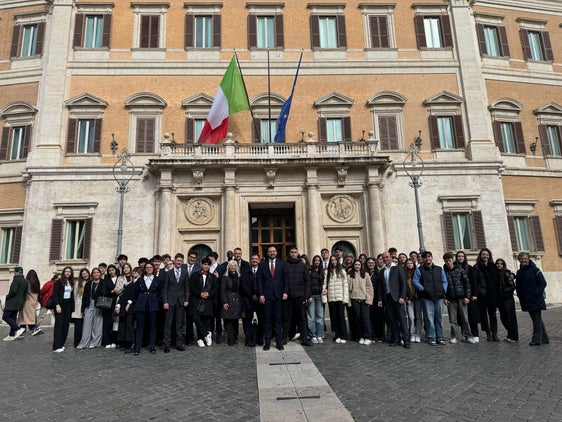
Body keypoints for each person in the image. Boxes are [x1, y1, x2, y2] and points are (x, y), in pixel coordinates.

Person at [257, 245, 289, 351]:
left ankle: (279, 343)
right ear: (267, 253)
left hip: (279, 296)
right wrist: (261, 294)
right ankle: (267, 343)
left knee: (278, 320)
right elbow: (259, 281)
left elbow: (286, 280)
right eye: (270, 251)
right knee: (267, 320)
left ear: (276, 252)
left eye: (274, 251)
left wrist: (285, 292)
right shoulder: (262, 264)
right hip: (266, 296)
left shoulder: (282, 264)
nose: (272, 253)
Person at [413, 251, 447, 346]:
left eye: (429, 256)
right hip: (427, 297)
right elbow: (415, 281)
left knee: (438, 318)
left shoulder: (439, 269)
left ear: (432, 257)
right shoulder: (419, 270)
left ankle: (440, 337)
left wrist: (443, 290)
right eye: (425, 257)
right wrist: (422, 289)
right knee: (429, 318)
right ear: (423, 259)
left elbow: (445, 281)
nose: (427, 258)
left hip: (439, 297)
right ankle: (432, 337)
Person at [515, 252, 548, 346]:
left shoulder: (535, 270)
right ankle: (545, 338)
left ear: (528, 259)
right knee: (536, 319)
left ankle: (536, 340)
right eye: (521, 259)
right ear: (519, 260)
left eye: (525, 258)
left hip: (535, 299)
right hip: (526, 300)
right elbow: (519, 285)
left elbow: (543, 283)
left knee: (536, 319)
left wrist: (536, 293)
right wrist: (519, 294)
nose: (523, 260)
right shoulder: (519, 272)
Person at [128, 262, 162, 355]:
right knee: (139, 327)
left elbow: (160, 293)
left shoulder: (157, 280)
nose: (149, 269)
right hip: (141, 306)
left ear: (153, 268)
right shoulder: (140, 280)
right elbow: (135, 293)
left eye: (151, 267)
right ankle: (137, 347)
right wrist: (130, 303)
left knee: (152, 327)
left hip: (153, 306)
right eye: (147, 267)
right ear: (145, 269)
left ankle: (152, 346)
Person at [378, 252, 410, 348]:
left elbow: (404, 284)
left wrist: (402, 297)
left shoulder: (398, 268)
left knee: (402, 319)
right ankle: (396, 338)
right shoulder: (382, 271)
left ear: (391, 258)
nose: (385, 259)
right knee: (392, 320)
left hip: (397, 297)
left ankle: (406, 340)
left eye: (387, 257)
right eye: (383, 258)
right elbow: (380, 286)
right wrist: (380, 299)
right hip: (387, 298)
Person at [443, 253, 475, 344]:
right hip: (451, 298)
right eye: (446, 261)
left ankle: (468, 336)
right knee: (452, 319)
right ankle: (455, 336)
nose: (448, 263)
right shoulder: (444, 271)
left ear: (452, 260)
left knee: (465, 318)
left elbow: (467, 284)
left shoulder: (460, 270)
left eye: (449, 260)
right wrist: (444, 298)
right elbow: (443, 286)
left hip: (462, 297)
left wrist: (467, 296)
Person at [283, 247, 312, 346]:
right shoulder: (285, 265)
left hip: (300, 296)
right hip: (288, 297)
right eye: (292, 252)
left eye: (295, 252)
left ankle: (304, 338)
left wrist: (306, 296)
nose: (293, 254)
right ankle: (284, 338)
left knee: (302, 318)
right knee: (287, 318)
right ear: (289, 253)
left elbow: (308, 282)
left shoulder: (303, 266)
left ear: (298, 254)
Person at [161, 253, 189, 352]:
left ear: (182, 262)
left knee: (179, 324)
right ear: (174, 261)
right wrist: (165, 302)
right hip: (170, 301)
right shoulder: (169, 273)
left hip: (181, 302)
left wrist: (186, 300)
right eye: (177, 260)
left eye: (181, 261)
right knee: (168, 324)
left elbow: (187, 288)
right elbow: (165, 289)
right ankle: (166, 344)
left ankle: (179, 343)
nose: (179, 262)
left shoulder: (185, 273)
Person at [189, 257, 218, 348]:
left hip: (207, 301)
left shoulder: (213, 277)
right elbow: (192, 287)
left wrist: (208, 294)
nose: (206, 266)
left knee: (205, 320)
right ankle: (205, 334)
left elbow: (214, 289)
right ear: (201, 265)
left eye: (208, 265)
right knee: (196, 318)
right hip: (196, 300)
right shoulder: (194, 275)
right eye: (205, 264)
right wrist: (200, 294)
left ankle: (201, 339)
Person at [473, 248, 500, 341]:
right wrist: (476, 293)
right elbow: (475, 282)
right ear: (480, 256)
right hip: (482, 295)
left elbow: (498, 277)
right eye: (483, 254)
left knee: (492, 314)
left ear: (489, 256)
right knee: (483, 315)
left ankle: (494, 333)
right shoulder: (476, 267)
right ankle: (488, 332)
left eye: (487, 254)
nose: (485, 256)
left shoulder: (493, 266)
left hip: (492, 294)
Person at [455, 251, 481, 342]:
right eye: (458, 256)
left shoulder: (469, 268)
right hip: (460, 296)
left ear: (464, 258)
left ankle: (475, 334)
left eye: (462, 256)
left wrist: (474, 294)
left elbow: (474, 282)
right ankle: (465, 334)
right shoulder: (454, 268)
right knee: (462, 316)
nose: (460, 258)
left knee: (472, 316)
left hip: (470, 296)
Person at [323, 255, 349, 344]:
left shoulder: (342, 271)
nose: (333, 262)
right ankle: (337, 335)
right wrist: (324, 295)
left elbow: (345, 285)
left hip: (340, 297)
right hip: (331, 298)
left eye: (335, 260)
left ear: (337, 261)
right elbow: (324, 284)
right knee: (334, 317)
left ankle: (343, 335)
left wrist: (345, 298)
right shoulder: (327, 272)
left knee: (341, 316)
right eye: (332, 260)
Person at [348, 259, 373, 345]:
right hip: (354, 299)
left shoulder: (365, 274)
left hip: (364, 299)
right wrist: (349, 301)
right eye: (355, 265)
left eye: (359, 265)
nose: (357, 266)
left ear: (361, 266)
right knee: (358, 319)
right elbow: (348, 290)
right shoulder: (350, 275)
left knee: (365, 319)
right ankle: (361, 335)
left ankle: (368, 336)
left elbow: (369, 288)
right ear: (353, 266)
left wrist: (369, 299)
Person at [77, 267, 103, 349]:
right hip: (89, 304)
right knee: (86, 325)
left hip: (99, 305)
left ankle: (95, 343)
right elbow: (84, 297)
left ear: (100, 273)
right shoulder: (89, 283)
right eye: (94, 272)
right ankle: (84, 343)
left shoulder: (104, 282)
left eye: (97, 272)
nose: (96, 274)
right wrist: (82, 309)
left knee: (97, 325)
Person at [116, 266, 140, 353]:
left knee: (130, 325)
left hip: (133, 307)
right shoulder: (131, 283)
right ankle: (125, 342)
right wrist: (118, 305)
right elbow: (124, 295)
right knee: (124, 324)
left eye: (135, 272)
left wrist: (130, 303)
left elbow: (136, 295)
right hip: (124, 306)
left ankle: (131, 343)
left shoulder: (139, 283)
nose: (134, 273)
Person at [52, 266, 75, 352]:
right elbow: (55, 295)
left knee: (66, 325)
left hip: (68, 305)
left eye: (69, 272)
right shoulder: (58, 282)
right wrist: (57, 305)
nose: (68, 273)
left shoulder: (71, 282)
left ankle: (61, 343)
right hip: (60, 305)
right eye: (66, 271)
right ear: (63, 272)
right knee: (59, 325)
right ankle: (56, 346)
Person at [2, 267, 28, 341]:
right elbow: (25, 294)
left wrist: (7, 296)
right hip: (19, 302)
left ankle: (18, 328)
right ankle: (12, 334)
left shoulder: (16, 279)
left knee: (5, 317)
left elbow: (13, 291)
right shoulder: (25, 281)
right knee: (13, 317)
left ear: (16, 272)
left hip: (12, 302)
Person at [495, 259, 518, 343]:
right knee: (503, 317)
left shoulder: (506, 273)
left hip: (507, 298)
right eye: (497, 263)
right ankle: (510, 334)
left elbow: (512, 286)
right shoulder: (496, 273)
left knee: (510, 317)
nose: (499, 265)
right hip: (500, 299)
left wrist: (504, 291)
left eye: (501, 264)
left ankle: (513, 336)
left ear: (503, 265)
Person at [221, 260, 243, 345]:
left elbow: (241, 289)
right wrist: (224, 302)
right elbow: (222, 290)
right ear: (228, 267)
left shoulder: (239, 276)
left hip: (237, 301)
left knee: (235, 321)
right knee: (229, 321)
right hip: (228, 300)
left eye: (234, 266)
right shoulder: (225, 277)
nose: (233, 267)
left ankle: (235, 337)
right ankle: (230, 339)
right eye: (231, 266)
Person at [100, 264, 119, 348]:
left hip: (117, 302)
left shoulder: (119, 278)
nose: (111, 271)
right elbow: (103, 292)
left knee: (115, 322)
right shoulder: (105, 280)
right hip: (108, 303)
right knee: (107, 322)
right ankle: (107, 341)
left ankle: (115, 340)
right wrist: (111, 292)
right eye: (110, 270)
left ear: (115, 270)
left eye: (112, 270)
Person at [17, 270, 41, 336]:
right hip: (33, 302)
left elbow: (23, 292)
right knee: (28, 317)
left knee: (24, 317)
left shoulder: (27, 283)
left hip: (26, 302)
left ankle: (33, 329)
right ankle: (25, 331)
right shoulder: (37, 283)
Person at [307, 255, 325, 343]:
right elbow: (307, 284)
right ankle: (312, 335)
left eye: (318, 260)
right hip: (311, 296)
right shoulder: (309, 270)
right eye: (315, 260)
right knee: (311, 317)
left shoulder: (322, 271)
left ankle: (319, 335)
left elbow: (324, 283)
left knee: (320, 316)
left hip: (320, 296)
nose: (317, 262)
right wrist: (308, 296)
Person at [404, 259, 422, 343]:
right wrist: (408, 297)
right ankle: (412, 333)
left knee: (418, 317)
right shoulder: (404, 274)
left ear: (414, 264)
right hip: (409, 299)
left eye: (411, 263)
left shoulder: (417, 272)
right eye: (407, 263)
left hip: (418, 297)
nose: (409, 265)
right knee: (411, 317)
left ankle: (418, 334)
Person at [71, 268, 88, 347]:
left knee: (86, 326)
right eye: (83, 274)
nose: (85, 275)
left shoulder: (91, 282)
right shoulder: (78, 283)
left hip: (88, 306)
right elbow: (74, 296)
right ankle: (77, 342)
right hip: (78, 306)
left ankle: (84, 341)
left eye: (86, 273)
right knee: (78, 326)